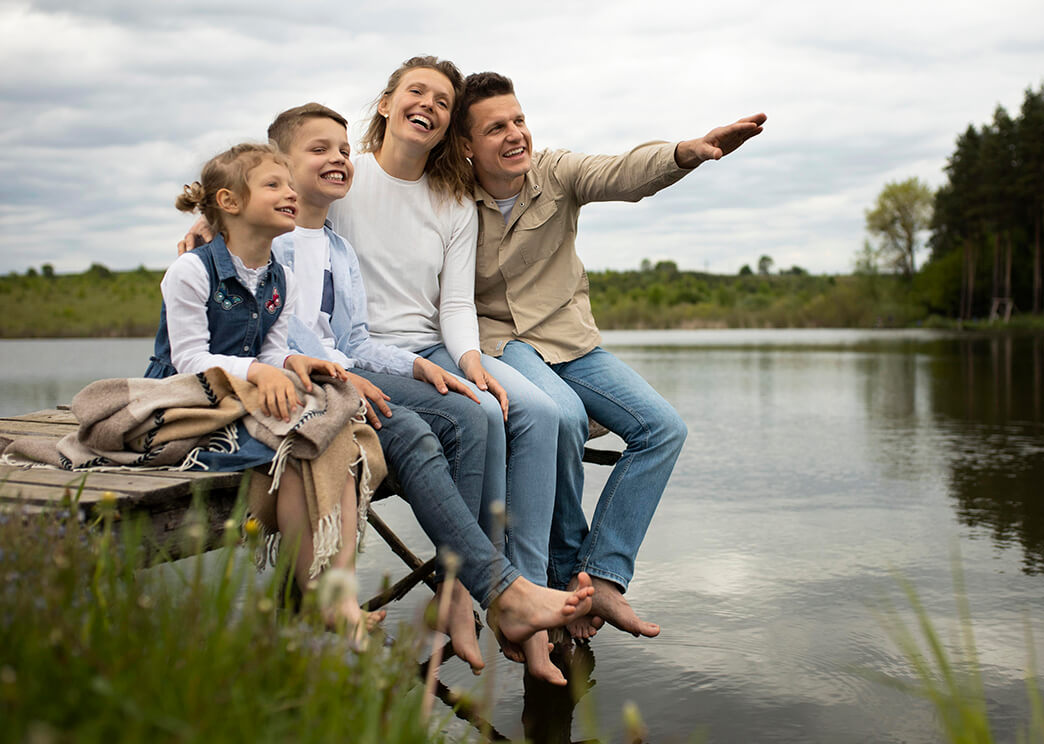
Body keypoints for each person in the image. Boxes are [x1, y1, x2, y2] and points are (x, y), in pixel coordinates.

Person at [262, 101, 593, 673]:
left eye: (341, 151)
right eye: (321, 151)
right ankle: (484, 591)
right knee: (434, 428)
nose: (337, 160)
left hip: (355, 370)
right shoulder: (270, 236)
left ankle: (473, 592)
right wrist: (211, 218)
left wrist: (422, 367)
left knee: (477, 410)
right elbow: (264, 334)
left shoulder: (339, 249)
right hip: (294, 384)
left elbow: (354, 337)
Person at [457, 71, 766, 640]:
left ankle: (601, 574)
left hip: (570, 341)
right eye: (496, 127)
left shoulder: (555, 172)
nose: (515, 134)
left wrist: (685, 153)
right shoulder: (451, 199)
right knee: (564, 418)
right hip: (502, 343)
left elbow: (623, 172)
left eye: (519, 120)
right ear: (467, 145)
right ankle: (561, 576)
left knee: (663, 428)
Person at [147, 142, 383, 646]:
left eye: (289, 186)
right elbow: (188, 357)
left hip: (249, 395)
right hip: (188, 395)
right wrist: (261, 370)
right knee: (300, 440)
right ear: (230, 203)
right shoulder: (192, 271)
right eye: (274, 185)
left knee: (328, 434)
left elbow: (274, 349)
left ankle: (336, 593)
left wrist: (292, 362)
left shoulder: (283, 278)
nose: (289, 193)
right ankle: (318, 590)